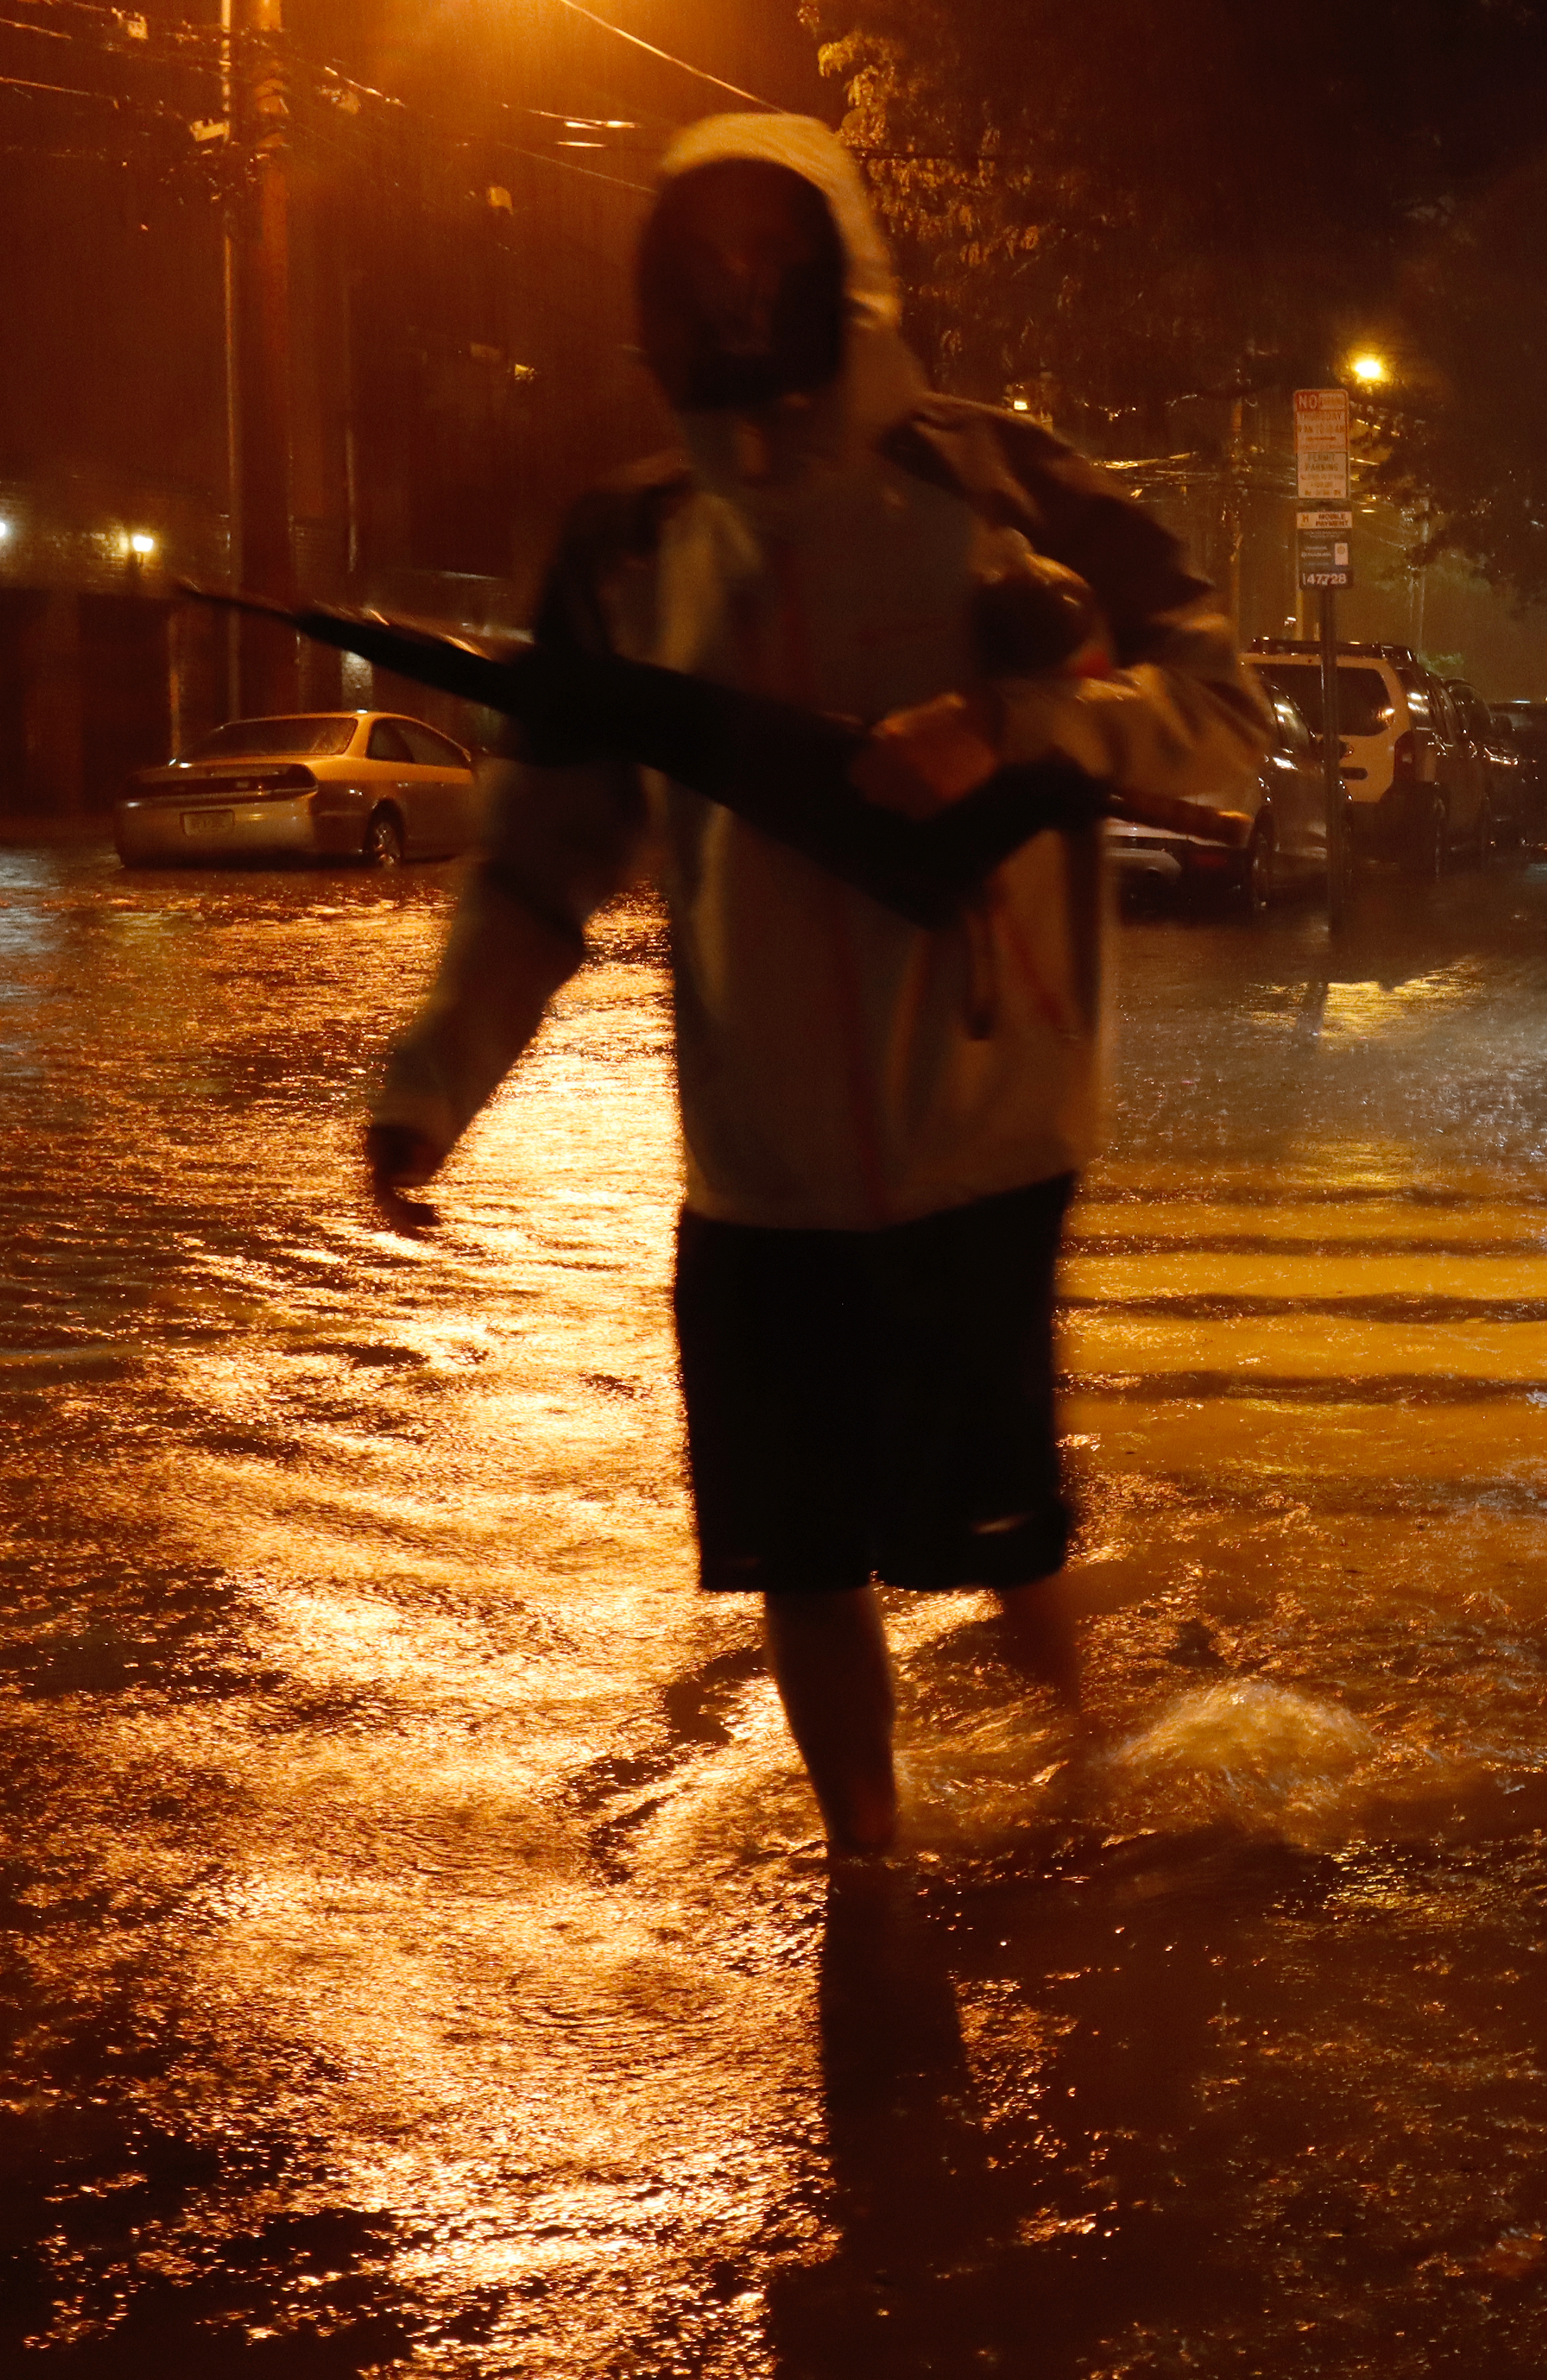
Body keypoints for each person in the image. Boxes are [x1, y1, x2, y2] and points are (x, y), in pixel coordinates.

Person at [360, 115, 1278, 1862]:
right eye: (691, 270)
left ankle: (1088, 1795)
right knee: (794, 1549)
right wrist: (429, 1091)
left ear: (832, 270)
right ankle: (869, 1872)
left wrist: (1017, 725)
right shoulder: (623, 549)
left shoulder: (1006, 486)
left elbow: (1223, 735)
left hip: (982, 1136)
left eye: (757, 260)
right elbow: (540, 857)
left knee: (994, 1536)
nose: (728, 300)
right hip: (752, 1162)